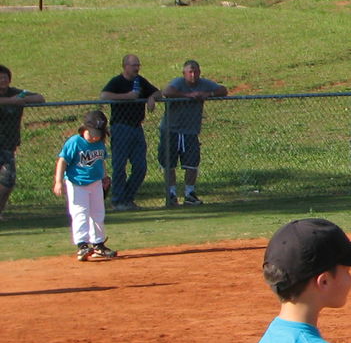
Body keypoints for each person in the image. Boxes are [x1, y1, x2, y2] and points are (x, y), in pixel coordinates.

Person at [159, 59, 228, 207]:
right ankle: (171, 194)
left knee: (192, 164)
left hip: (190, 130)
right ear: (184, 73)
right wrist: (188, 96)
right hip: (172, 129)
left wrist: (207, 93)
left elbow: (223, 90)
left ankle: (189, 193)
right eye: (190, 72)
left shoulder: (203, 84)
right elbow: (166, 91)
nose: (193, 75)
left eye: (196, 71)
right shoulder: (178, 83)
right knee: (169, 163)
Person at [99, 54, 162, 211]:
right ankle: (118, 200)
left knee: (140, 166)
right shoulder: (117, 82)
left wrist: (151, 98)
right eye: (133, 65)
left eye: (138, 65)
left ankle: (128, 198)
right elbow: (104, 95)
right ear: (125, 66)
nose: (136, 68)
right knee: (119, 166)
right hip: (120, 127)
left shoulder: (140, 81)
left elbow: (158, 92)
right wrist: (126, 97)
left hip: (136, 127)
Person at [52, 110, 116, 261]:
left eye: (98, 133)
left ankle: (98, 244)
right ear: (84, 129)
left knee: (98, 213)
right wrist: (58, 181)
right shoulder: (74, 142)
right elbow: (62, 161)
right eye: (92, 133)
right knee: (80, 212)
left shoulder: (100, 142)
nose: (95, 136)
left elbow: (100, 161)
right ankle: (82, 245)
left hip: (95, 182)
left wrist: (104, 177)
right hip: (77, 183)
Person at [0, 64, 46, 221]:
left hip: (8, 144)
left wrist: (22, 100)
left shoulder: (16, 93)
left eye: (5, 77)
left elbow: (40, 98)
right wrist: (11, 102)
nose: (3, 80)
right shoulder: (11, 97)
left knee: (8, 181)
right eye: (0, 78)